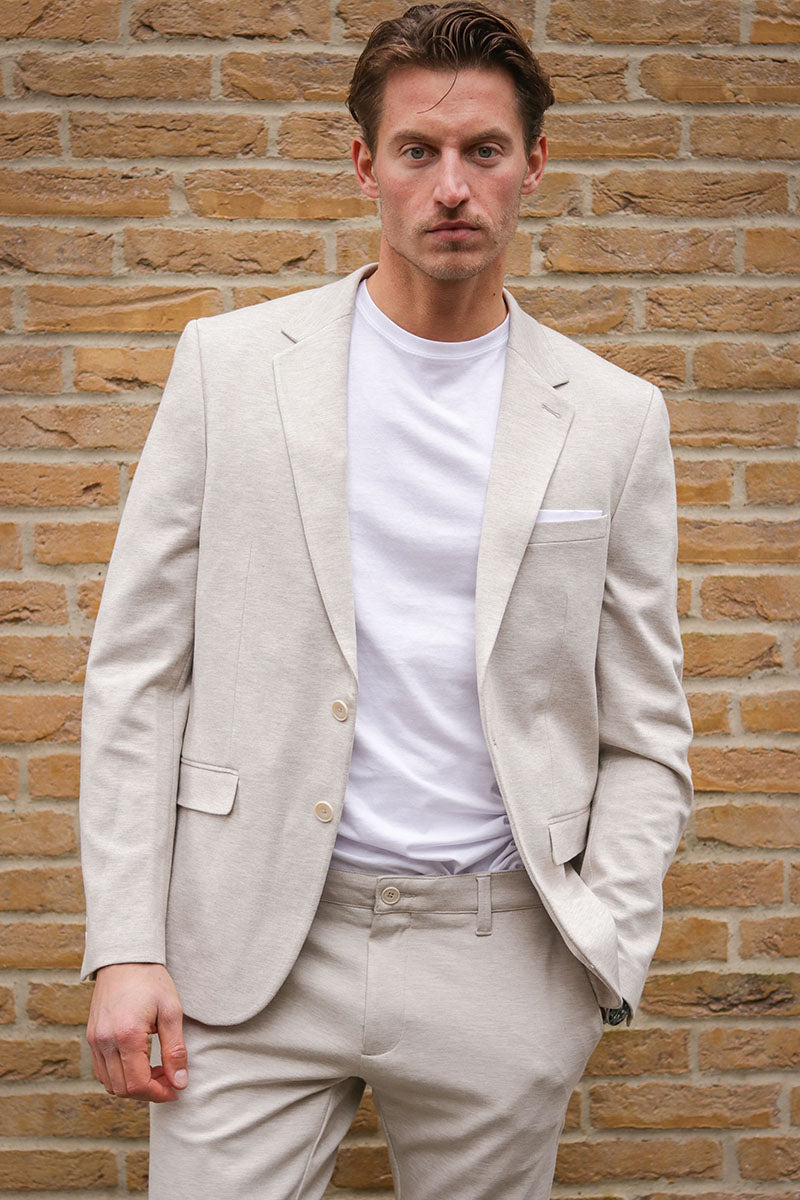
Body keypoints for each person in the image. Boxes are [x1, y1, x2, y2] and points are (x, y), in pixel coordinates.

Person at [78, 4, 694, 1197]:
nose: (450, 185)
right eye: (418, 150)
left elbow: (645, 723)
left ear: (532, 165)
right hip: (245, 952)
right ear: (365, 166)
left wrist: (601, 946)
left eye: (482, 151)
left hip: (500, 956)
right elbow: (138, 674)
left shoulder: (613, 417)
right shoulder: (231, 367)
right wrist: (127, 946)